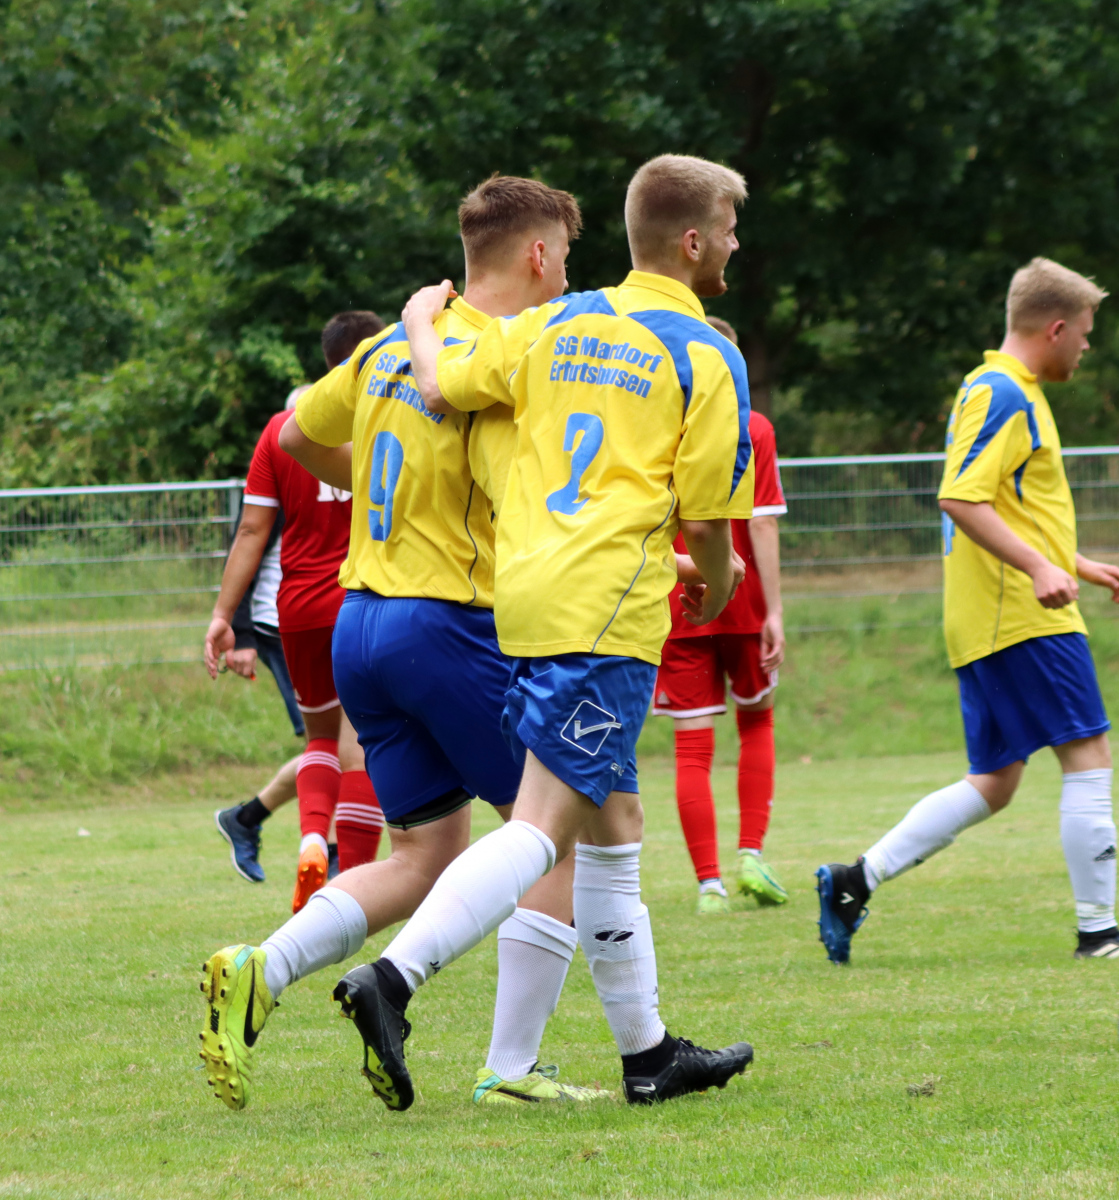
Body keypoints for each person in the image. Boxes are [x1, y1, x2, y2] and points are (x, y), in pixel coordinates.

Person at [332, 153, 756, 1110]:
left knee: (613, 824)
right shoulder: (703, 354)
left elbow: (442, 386)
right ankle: (392, 979)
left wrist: (417, 323)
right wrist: (722, 582)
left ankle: (647, 1054)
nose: (736, 246)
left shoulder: (558, 321)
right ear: (694, 242)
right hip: (605, 613)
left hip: (523, 598)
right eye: (730, 231)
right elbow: (706, 521)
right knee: (542, 828)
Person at [197, 176, 610, 1112]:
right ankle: (510, 1066)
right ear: (537, 254)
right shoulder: (502, 349)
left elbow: (295, 436)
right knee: (551, 835)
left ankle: (261, 968)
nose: (565, 277)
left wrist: (384, 483)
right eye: (564, 258)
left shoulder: (387, 343)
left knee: (425, 855)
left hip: (362, 624)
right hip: (447, 621)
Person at [816, 257, 1119, 965]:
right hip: (1018, 615)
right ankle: (1100, 934)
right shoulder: (1003, 392)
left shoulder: (1003, 389)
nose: (1086, 346)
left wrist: (1075, 561)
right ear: (1054, 328)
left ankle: (854, 881)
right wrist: (1040, 568)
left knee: (996, 781)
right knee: (1088, 756)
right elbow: (960, 497)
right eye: (1084, 332)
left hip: (992, 614)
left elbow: (1008, 503)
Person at [204, 313, 386, 913]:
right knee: (364, 745)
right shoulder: (390, 417)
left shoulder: (284, 429)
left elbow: (252, 530)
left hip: (300, 608)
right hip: (369, 598)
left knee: (320, 740)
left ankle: (311, 838)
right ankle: (354, 878)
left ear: (327, 360)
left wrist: (223, 616)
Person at [652, 314, 788, 914]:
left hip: (681, 600)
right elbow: (761, 524)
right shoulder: (754, 427)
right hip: (744, 599)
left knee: (691, 748)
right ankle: (751, 855)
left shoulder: (659, 422)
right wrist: (775, 610)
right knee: (757, 722)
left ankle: (709, 885)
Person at [214, 394, 307, 885]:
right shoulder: (283, 465)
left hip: (323, 617)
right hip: (281, 622)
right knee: (335, 748)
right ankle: (331, 855)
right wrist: (243, 634)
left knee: (338, 749)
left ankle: (248, 819)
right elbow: (247, 541)